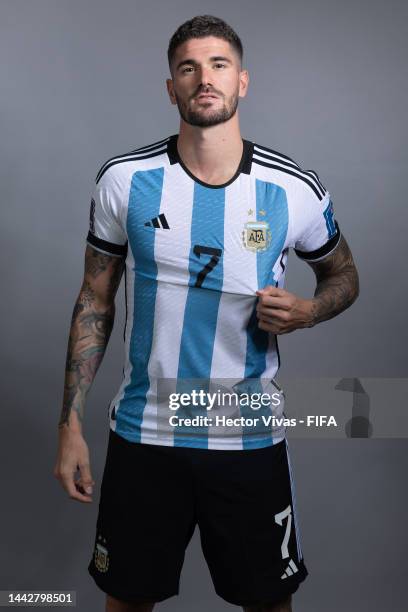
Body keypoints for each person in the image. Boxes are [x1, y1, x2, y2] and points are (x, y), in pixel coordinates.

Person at [53, 14, 359, 612]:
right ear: (171, 87)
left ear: (242, 81)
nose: (204, 79)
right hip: (144, 436)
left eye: (218, 65)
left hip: (248, 438)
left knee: (269, 604)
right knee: (127, 603)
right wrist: (70, 427)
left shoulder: (293, 187)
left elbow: (344, 275)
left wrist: (310, 310)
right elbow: (94, 298)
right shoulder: (124, 180)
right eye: (187, 68)